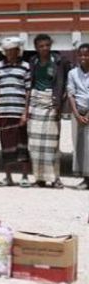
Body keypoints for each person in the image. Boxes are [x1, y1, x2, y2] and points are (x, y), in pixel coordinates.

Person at [28, 34, 71, 188]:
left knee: (52, 144)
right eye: (41, 46)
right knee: (35, 144)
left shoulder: (59, 61)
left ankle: (55, 178)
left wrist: (60, 102)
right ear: (36, 48)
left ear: (51, 45)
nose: (45, 48)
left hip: (51, 104)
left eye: (47, 45)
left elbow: (66, 83)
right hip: (35, 103)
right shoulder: (33, 61)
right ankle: (39, 178)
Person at [0, 37, 31, 187]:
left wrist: (25, 112)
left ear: (18, 51)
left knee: (22, 145)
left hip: (19, 111)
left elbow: (28, 91)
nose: (10, 53)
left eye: (13, 50)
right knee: (6, 145)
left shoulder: (25, 67)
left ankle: (25, 176)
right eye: (7, 51)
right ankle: (8, 177)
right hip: (4, 111)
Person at [67, 43, 89, 190]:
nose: (83, 57)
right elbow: (71, 94)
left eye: (86, 55)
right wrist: (76, 114)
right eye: (80, 55)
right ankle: (85, 178)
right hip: (78, 113)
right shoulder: (73, 73)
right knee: (80, 145)